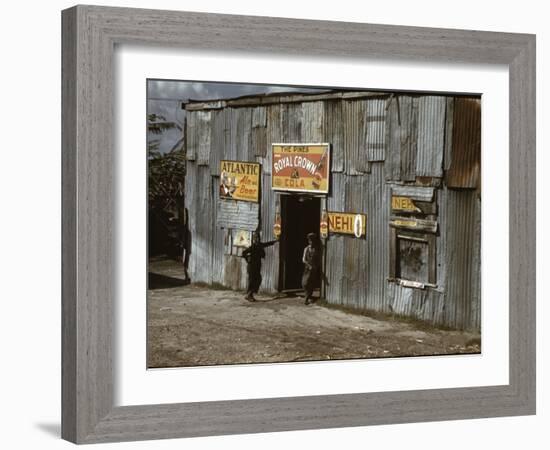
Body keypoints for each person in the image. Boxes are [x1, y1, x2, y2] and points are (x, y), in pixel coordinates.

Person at [242, 232, 278, 301]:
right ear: (254, 239)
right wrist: (248, 259)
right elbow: (243, 253)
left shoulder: (260, 245)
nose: (258, 239)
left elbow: (267, 244)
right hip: (252, 266)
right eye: (256, 238)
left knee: (258, 280)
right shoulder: (252, 247)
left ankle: (250, 294)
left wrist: (275, 241)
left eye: (258, 238)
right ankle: (249, 295)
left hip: (257, 266)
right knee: (253, 281)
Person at [302, 232, 321, 305]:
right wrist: (308, 265)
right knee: (305, 283)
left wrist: (316, 266)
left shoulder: (316, 249)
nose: (311, 242)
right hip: (307, 268)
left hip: (313, 269)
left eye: (312, 240)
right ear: (308, 241)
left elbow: (318, 259)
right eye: (310, 240)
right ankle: (307, 296)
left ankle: (307, 298)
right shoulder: (306, 249)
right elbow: (303, 259)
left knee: (311, 283)